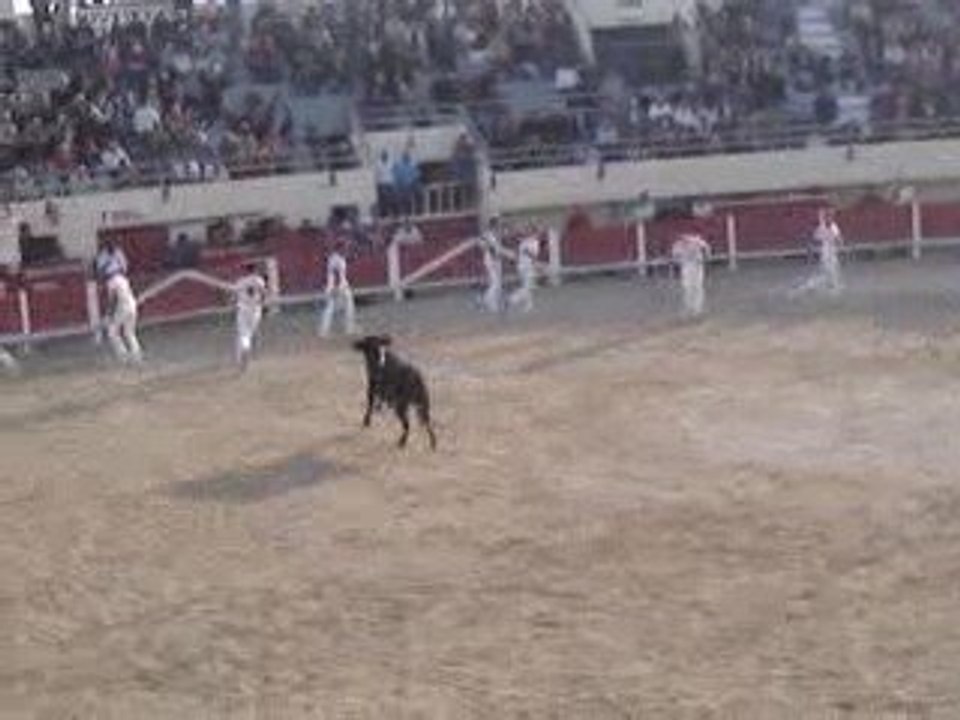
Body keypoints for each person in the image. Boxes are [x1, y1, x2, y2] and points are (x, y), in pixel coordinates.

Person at [233, 261, 268, 371]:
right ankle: (247, 352)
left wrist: (234, 303)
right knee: (250, 333)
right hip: (255, 310)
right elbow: (264, 294)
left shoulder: (240, 281)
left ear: (245, 270)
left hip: (243, 309)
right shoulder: (259, 280)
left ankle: (244, 352)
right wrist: (263, 305)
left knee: (243, 334)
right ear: (254, 270)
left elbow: (234, 297)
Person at [105, 271, 143, 364]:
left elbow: (113, 299)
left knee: (112, 332)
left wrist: (109, 315)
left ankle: (123, 355)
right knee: (129, 332)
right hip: (132, 305)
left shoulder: (111, 282)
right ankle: (137, 355)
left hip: (122, 308)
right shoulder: (123, 279)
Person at [319, 242, 356, 337]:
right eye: (345, 248)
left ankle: (350, 329)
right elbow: (334, 274)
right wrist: (335, 288)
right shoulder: (334, 259)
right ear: (339, 248)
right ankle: (324, 332)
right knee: (329, 309)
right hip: (334, 287)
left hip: (343, 286)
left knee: (349, 307)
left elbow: (342, 272)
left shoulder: (341, 257)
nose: (346, 250)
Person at [671, 233, 712, 317]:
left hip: (697, 265)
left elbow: (706, 247)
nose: (685, 242)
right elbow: (675, 257)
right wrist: (678, 263)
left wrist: (706, 258)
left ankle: (697, 309)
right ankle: (689, 308)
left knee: (697, 287)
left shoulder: (696, 241)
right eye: (683, 241)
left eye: (686, 240)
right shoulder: (677, 245)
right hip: (686, 266)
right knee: (687, 288)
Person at [508, 226, 540, 312]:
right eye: (528, 232)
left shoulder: (533, 242)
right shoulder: (526, 242)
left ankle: (529, 305)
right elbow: (522, 254)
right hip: (524, 267)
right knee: (527, 287)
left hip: (527, 266)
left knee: (528, 286)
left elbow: (534, 256)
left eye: (530, 232)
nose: (529, 233)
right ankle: (512, 299)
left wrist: (527, 252)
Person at [479, 217, 503, 313]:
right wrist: (495, 259)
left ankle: (493, 303)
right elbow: (489, 248)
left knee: (496, 283)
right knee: (495, 283)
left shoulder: (490, 234)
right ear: (494, 225)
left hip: (492, 259)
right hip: (491, 260)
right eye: (498, 224)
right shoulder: (489, 235)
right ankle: (487, 301)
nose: (499, 226)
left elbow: (484, 245)